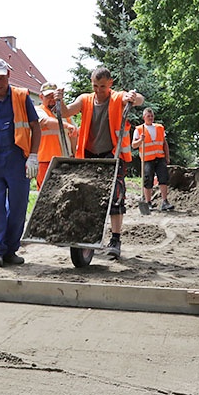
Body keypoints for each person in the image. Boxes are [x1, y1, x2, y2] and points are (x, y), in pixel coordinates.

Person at [57, 67, 144, 260]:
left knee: (115, 198)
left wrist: (134, 97)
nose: (98, 90)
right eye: (95, 86)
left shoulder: (117, 98)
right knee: (86, 197)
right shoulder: (85, 99)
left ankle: (115, 239)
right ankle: (88, 235)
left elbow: (138, 100)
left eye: (102, 86)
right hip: (89, 156)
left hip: (112, 155)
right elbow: (65, 111)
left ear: (110, 84)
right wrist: (59, 99)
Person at [0, 57, 42, 267]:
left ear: (8, 76)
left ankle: (11, 250)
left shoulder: (21, 97)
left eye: (1, 79)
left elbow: (35, 127)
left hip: (17, 162)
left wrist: (33, 155)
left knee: (18, 207)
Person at [34, 82, 78, 189]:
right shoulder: (38, 110)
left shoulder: (64, 113)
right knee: (45, 193)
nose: (51, 99)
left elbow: (74, 135)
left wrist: (75, 156)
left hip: (64, 160)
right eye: (47, 96)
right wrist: (67, 125)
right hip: (45, 161)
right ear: (41, 97)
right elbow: (46, 122)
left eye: (53, 96)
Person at [131, 107, 174, 211]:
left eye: (152, 116)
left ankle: (164, 201)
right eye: (148, 116)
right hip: (147, 158)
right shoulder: (139, 129)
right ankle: (148, 202)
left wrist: (167, 157)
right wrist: (140, 140)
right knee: (148, 180)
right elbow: (133, 145)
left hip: (160, 158)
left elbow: (164, 143)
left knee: (163, 178)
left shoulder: (159, 128)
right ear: (144, 117)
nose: (150, 118)